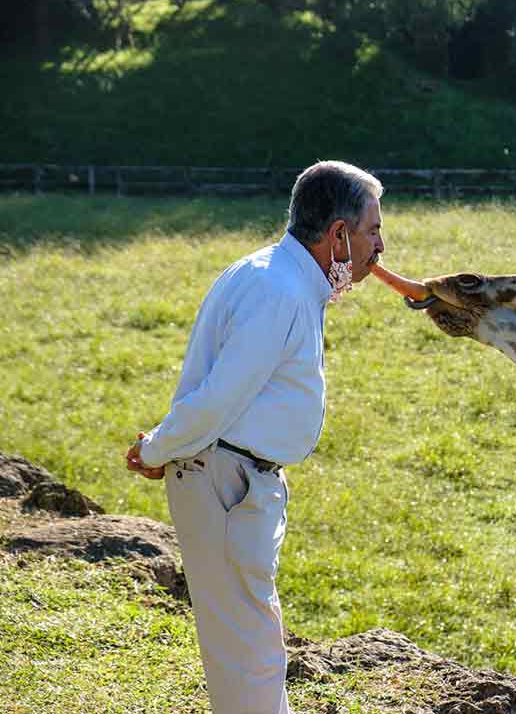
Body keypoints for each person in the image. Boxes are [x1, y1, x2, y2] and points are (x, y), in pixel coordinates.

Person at [124, 160, 385, 714]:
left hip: (234, 481)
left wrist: (165, 449)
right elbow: (219, 397)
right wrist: (156, 450)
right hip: (225, 482)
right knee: (250, 659)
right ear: (338, 234)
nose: (379, 245)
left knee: (250, 651)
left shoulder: (275, 276)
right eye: (373, 229)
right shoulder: (279, 290)